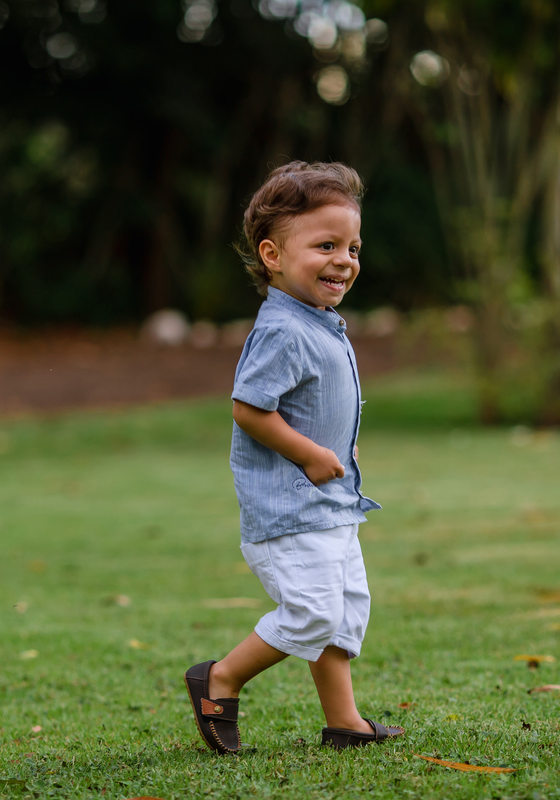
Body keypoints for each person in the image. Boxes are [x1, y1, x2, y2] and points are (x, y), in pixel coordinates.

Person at [185, 161, 401, 753]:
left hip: (330, 504)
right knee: (311, 612)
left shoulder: (319, 322)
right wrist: (309, 454)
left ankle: (345, 721)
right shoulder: (283, 328)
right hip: (290, 510)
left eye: (353, 248)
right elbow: (249, 408)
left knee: (344, 609)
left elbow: (311, 401)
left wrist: (336, 443)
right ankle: (220, 678)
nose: (345, 260)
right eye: (326, 246)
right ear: (273, 255)